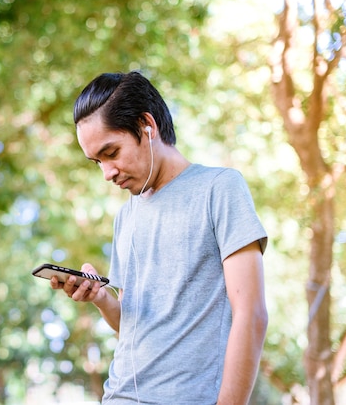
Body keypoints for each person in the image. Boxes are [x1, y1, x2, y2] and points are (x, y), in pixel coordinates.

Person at [51, 71, 268, 404]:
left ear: (146, 126)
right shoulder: (126, 215)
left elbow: (251, 314)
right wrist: (100, 298)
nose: (107, 173)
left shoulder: (220, 188)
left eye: (111, 153)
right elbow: (133, 327)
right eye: (97, 161)